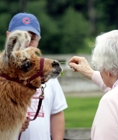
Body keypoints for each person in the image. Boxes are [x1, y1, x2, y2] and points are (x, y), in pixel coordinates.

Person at [68, 30, 118, 140]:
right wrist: (90, 72)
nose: (100, 71)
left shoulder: (112, 101)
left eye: (99, 67)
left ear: (107, 69)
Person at [7, 12, 68, 140]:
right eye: (21, 37)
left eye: (32, 38)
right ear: (9, 37)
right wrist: (10, 124)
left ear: (38, 40)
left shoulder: (46, 73)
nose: (27, 43)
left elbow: (56, 113)